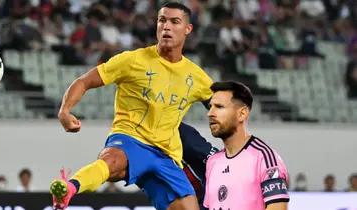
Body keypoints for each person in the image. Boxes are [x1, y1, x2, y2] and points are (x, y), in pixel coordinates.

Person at [50, 2, 213, 210]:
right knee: (112, 162)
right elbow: (84, 81)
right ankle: (70, 188)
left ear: (188, 29)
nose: (167, 27)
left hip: (167, 155)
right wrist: (64, 111)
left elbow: (221, 106)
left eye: (175, 22)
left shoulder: (197, 77)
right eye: (162, 20)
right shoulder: (132, 60)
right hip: (130, 140)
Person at [203, 81, 289, 210]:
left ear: (242, 114)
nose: (210, 113)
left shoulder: (265, 158)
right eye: (210, 107)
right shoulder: (212, 162)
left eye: (219, 107)